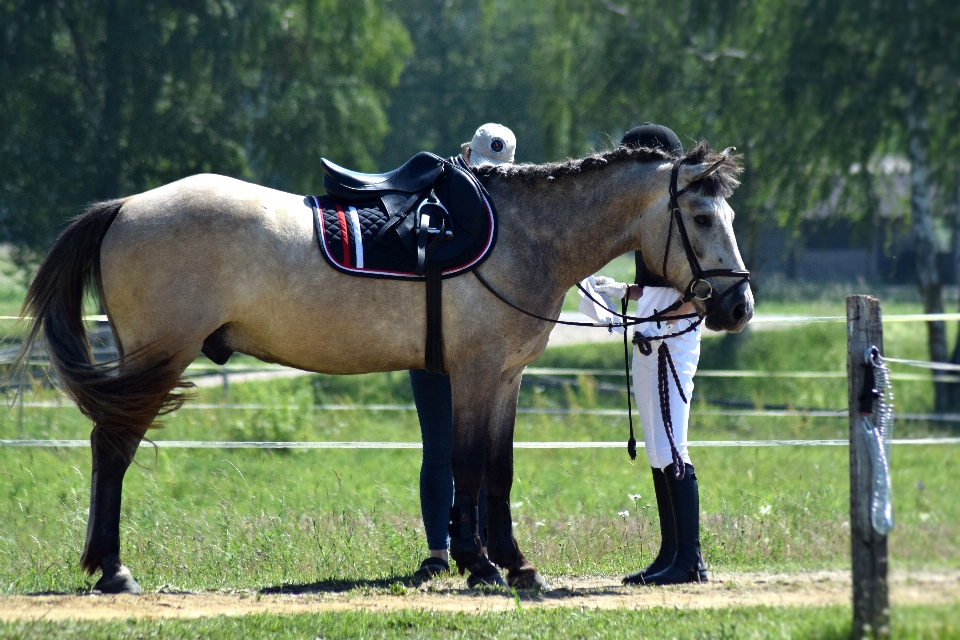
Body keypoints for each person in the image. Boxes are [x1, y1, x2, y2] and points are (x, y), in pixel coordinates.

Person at [580, 124, 708, 586]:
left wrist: (666, 315)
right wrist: (627, 292)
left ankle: (690, 560)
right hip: (655, 322)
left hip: (673, 330)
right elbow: (658, 283)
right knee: (657, 447)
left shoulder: (686, 213)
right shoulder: (654, 214)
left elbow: (701, 283)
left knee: (673, 444)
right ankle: (670, 553)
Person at [411, 123, 517, 582]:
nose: (487, 176)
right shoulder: (436, 197)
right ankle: (437, 551)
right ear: (467, 156)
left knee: (483, 451)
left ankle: (477, 545)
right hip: (433, 341)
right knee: (439, 449)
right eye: (482, 166)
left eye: (498, 170)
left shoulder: (513, 213)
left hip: (484, 347)